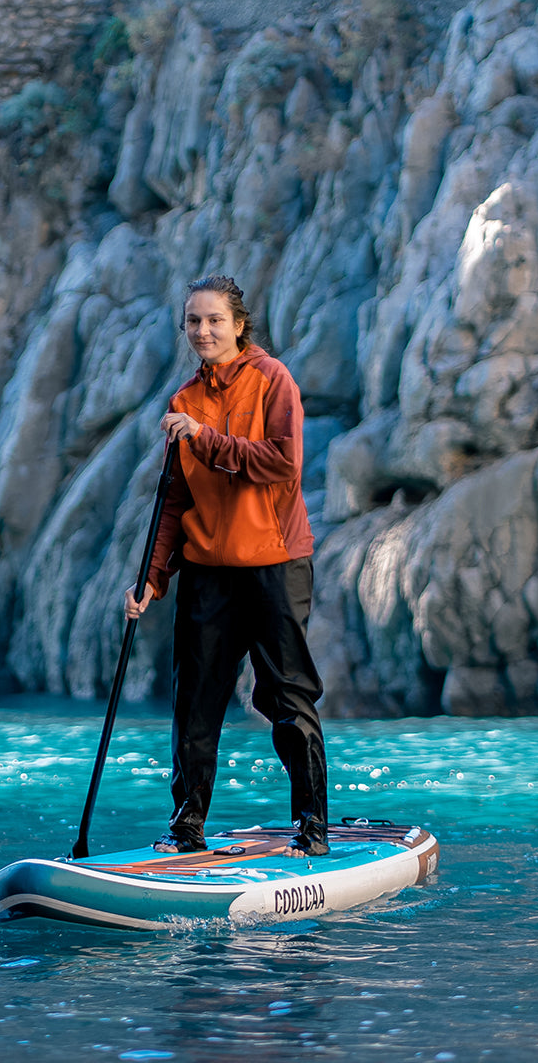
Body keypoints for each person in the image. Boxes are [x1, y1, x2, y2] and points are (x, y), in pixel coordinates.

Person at [124, 274, 329, 858]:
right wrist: (153, 578)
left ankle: (311, 829)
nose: (203, 330)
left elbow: (284, 463)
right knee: (196, 700)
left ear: (239, 325)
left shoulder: (272, 380)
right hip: (208, 570)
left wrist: (206, 438)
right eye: (193, 320)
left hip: (274, 563)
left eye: (214, 319)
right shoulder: (183, 402)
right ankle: (187, 828)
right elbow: (173, 499)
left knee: (286, 698)